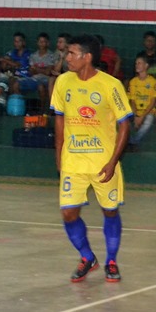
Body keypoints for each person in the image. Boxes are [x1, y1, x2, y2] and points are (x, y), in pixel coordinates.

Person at [52, 35, 133, 283]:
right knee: (68, 214)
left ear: (87, 57)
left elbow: (125, 124)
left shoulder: (110, 85)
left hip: (102, 162)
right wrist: (59, 156)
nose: (67, 58)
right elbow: (59, 120)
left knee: (110, 211)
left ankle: (111, 260)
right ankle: (87, 257)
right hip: (73, 161)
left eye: (72, 53)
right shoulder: (63, 82)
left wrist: (112, 162)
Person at [127, 53, 156, 149]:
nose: (137, 65)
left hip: (149, 111)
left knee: (148, 122)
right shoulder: (133, 82)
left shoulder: (153, 82)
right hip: (136, 110)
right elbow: (132, 100)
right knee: (124, 120)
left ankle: (133, 142)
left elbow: (153, 102)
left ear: (146, 66)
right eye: (136, 63)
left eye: (139, 63)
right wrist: (136, 115)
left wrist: (141, 117)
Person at [0, 32, 36, 97]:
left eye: (19, 41)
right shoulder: (11, 52)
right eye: (15, 41)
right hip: (13, 74)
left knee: (13, 82)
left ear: (24, 42)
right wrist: (6, 62)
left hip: (24, 76)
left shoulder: (28, 53)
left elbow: (18, 65)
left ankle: (14, 103)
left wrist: (5, 60)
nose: (17, 43)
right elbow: (3, 65)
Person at [29, 33, 58, 107]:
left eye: (44, 42)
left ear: (47, 43)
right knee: (16, 83)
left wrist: (37, 69)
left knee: (41, 87)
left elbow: (48, 72)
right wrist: (43, 69)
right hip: (33, 79)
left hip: (46, 80)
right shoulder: (33, 55)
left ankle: (43, 109)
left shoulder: (51, 55)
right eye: (40, 42)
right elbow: (31, 72)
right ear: (37, 43)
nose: (41, 44)